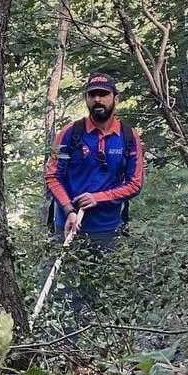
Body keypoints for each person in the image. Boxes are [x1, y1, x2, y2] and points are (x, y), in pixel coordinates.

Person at [45, 72, 145, 249]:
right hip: (69, 225)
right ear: (86, 98)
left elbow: (135, 184)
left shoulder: (129, 136)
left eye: (104, 94)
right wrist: (69, 210)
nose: (98, 99)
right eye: (92, 95)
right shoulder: (69, 133)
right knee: (67, 276)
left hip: (109, 228)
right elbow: (53, 177)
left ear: (116, 98)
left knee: (107, 276)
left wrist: (98, 198)